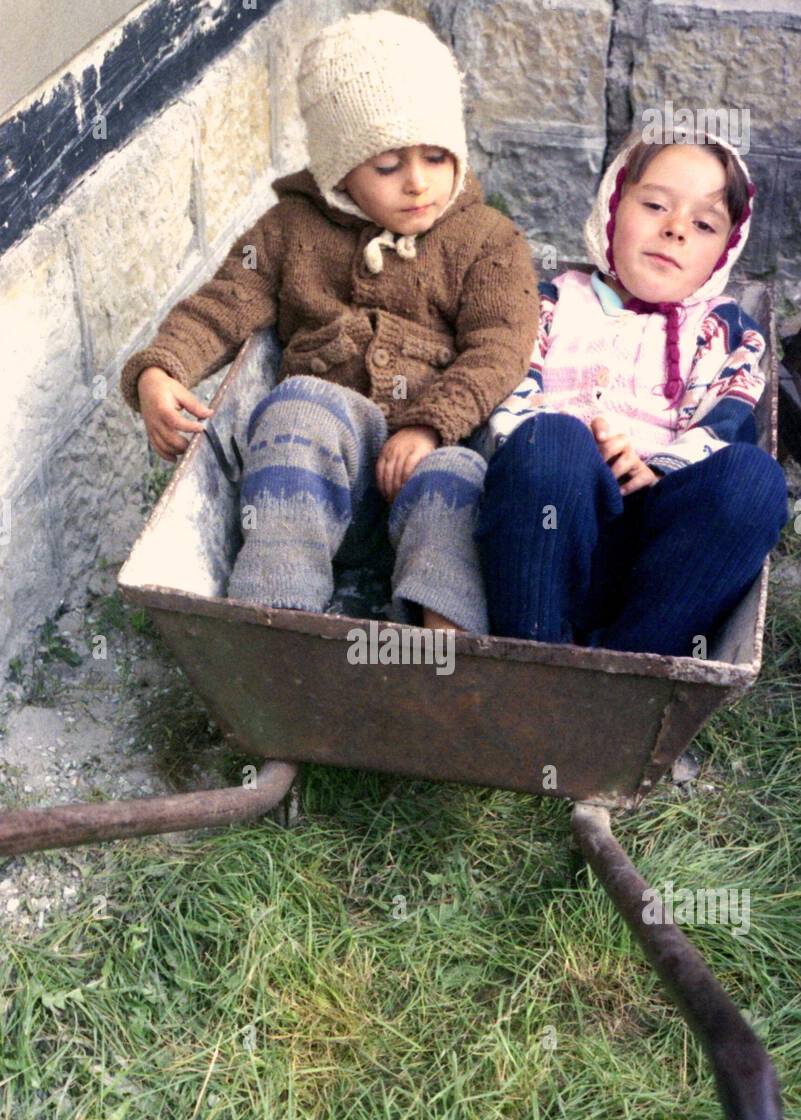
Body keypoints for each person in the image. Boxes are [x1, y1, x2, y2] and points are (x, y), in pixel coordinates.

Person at [120, 9, 539, 633]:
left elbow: (501, 347)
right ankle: (276, 626)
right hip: (319, 471)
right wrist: (159, 370)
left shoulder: (486, 240)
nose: (419, 183)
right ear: (339, 170)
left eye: (436, 156)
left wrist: (430, 425)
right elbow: (221, 304)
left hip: (430, 454)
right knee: (296, 409)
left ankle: (441, 655)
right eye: (388, 166)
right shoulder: (291, 231)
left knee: (456, 483)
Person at [473, 131, 788, 657]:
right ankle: (536, 660)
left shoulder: (723, 330)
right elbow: (509, 390)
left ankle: (634, 666)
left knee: (754, 479)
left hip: (659, 549)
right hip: (547, 524)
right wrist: (568, 447)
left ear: (724, 252)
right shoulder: (547, 303)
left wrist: (659, 470)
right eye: (656, 205)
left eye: (704, 224)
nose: (675, 230)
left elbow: (725, 418)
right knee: (550, 440)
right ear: (612, 206)